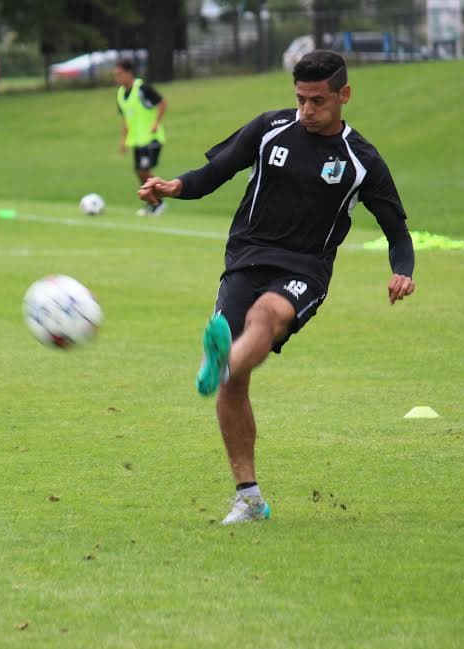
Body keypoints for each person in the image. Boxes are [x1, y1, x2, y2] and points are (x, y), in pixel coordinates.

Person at [138, 50, 416, 525]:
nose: (307, 110)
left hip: (306, 270)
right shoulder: (270, 128)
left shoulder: (360, 159)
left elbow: (396, 227)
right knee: (237, 376)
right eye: (301, 99)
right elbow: (216, 172)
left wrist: (402, 269)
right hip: (245, 256)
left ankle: (220, 360)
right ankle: (248, 497)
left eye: (319, 101)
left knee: (265, 316)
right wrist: (173, 186)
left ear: (344, 95)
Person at [115, 58, 168, 216]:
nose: (117, 78)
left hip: (151, 138)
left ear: (129, 73)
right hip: (137, 140)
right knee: (139, 172)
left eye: (119, 74)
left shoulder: (142, 88)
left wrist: (156, 123)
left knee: (143, 171)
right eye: (115, 75)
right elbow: (125, 118)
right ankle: (153, 203)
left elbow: (163, 103)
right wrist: (123, 140)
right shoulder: (120, 94)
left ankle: (160, 200)